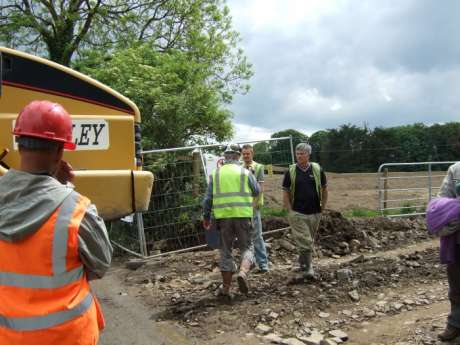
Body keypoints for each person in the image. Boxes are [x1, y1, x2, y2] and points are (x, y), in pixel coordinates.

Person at [0, 100, 113, 344]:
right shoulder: (74, 209)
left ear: (19, 144)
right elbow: (101, 264)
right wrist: (64, 187)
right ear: (60, 151)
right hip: (69, 336)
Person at [203, 143, 260, 297]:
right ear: (238, 156)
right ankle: (242, 273)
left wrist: (206, 217)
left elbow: (207, 199)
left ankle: (226, 288)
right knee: (247, 248)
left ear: (225, 157)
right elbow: (257, 191)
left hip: (223, 219)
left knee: (225, 252)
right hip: (242, 216)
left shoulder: (215, 174)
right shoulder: (245, 173)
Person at [282, 142, 327, 281]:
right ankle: (308, 270)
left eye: (302, 153)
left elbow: (324, 189)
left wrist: (322, 208)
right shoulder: (291, 171)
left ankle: (303, 266)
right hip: (297, 212)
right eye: (297, 153)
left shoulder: (317, 170)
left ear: (308, 154)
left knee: (307, 241)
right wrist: (289, 210)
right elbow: (285, 192)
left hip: (315, 212)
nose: (299, 156)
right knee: (305, 241)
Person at [433, 162, 460, 341]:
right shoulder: (456, 169)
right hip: (458, 239)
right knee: (457, 284)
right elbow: (442, 200)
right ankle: (456, 324)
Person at [241, 144, 270, 273]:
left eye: (248, 153)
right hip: (242, 207)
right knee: (245, 237)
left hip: (254, 207)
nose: (246, 156)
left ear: (252, 153)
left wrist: (253, 204)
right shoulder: (239, 168)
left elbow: (260, 188)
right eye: (244, 153)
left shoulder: (258, 167)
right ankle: (249, 263)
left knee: (257, 236)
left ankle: (263, 264)